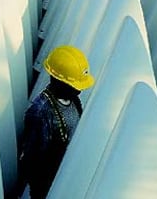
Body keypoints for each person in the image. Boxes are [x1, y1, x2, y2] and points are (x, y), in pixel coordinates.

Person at [18, 45, 95, 199]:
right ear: (59, 81)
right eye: (75, 85)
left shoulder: (73, 100)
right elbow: (32, 158)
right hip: (49, 181)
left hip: (68, 169)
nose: (79, 90)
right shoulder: (40, 113)